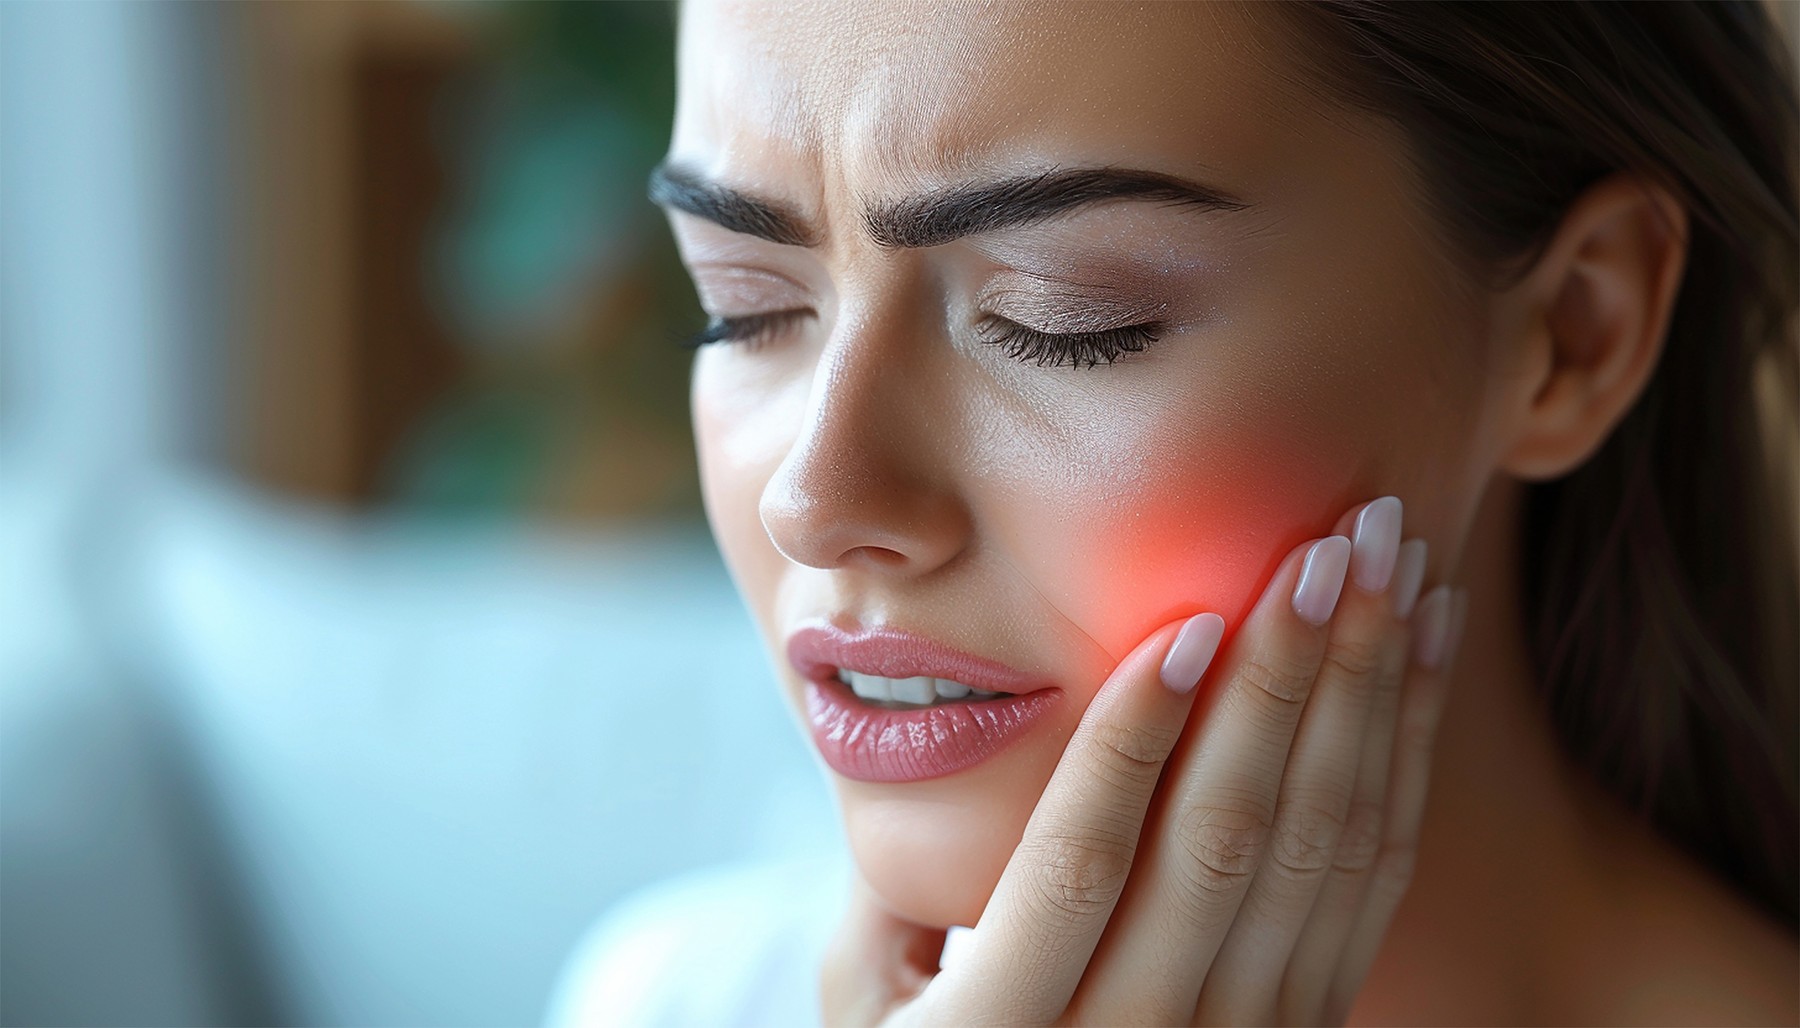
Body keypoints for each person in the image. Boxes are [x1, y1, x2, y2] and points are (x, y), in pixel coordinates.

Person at [553, 2, 1799, 1024]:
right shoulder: (678, 993)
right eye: (745, 307)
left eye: (1065, 317)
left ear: (1578, 333)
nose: (814, 499)